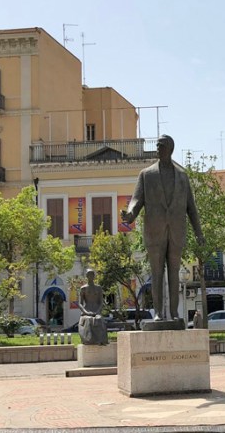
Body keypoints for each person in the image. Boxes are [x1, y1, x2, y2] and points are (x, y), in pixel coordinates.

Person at [121, 135, 205, 322]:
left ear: (170, 148)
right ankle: (159, 312)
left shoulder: (182, 176)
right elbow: (136, 199)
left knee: (174, 273)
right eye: (157, 145)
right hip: (154, 230)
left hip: (176, 230)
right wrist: (130, 214)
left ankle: (174, 313)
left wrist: (199, 232)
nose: (158, 148)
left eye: (161, 145)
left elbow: (191, 207)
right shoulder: (146, 174)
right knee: (156, 273)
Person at [77, 268, 108, 345]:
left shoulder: (98, 288)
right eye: (89, 275)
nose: (91, 276)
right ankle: (89, 340)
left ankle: (100, 340)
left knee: (99, 319)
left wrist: (97, 311)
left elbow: (101, 302)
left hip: (96, 310)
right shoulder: (83, 288)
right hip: (87, 311)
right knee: (88, 320)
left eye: (92, 275)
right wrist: (86, 312)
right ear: (86, 276)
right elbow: (80, 303)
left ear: (94, 276)